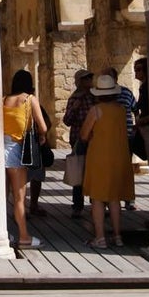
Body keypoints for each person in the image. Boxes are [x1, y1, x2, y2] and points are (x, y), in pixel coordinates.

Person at [79, 73, 135, 249]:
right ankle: (118, 236)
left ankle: (100, 237)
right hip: (118, 155)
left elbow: (84, 135)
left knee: (97, 198)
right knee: (114, 198)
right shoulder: (120, 110)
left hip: (99, 156)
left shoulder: (95, 111)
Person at [2, 69, 47, 248]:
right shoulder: (29, 99)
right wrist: (42, 136)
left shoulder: (3, 99)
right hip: (16, 149)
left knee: (1, 196)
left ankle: (2, 233)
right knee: (19, 197)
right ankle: (24, 236)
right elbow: (42, 126)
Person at [103, 66, 138, 210]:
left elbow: (135, 110)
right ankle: (114, 199)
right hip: (114, 137)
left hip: (121, 137)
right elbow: (136, 110)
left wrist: (136, 127)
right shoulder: (124, 93)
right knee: (116, 168)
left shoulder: (123, 93)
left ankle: (126, 198)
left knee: (122, 169)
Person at [62, 69, 94, 218]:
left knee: (94, 170)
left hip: (94, 138)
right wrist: (75, 107)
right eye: (86, 78)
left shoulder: (95, 97)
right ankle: (77, 206)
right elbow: (67, 120)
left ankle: (97, 204)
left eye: (90, 78)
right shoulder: (74, 98)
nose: (89, 80)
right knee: (78, 171)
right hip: (79, 139)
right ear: (79, 81)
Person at [132, 57, 149, 163]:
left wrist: (141, 121)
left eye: (139, 69)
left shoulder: (148, 87)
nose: (136, 73)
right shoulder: (143, 87)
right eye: (135, 70)